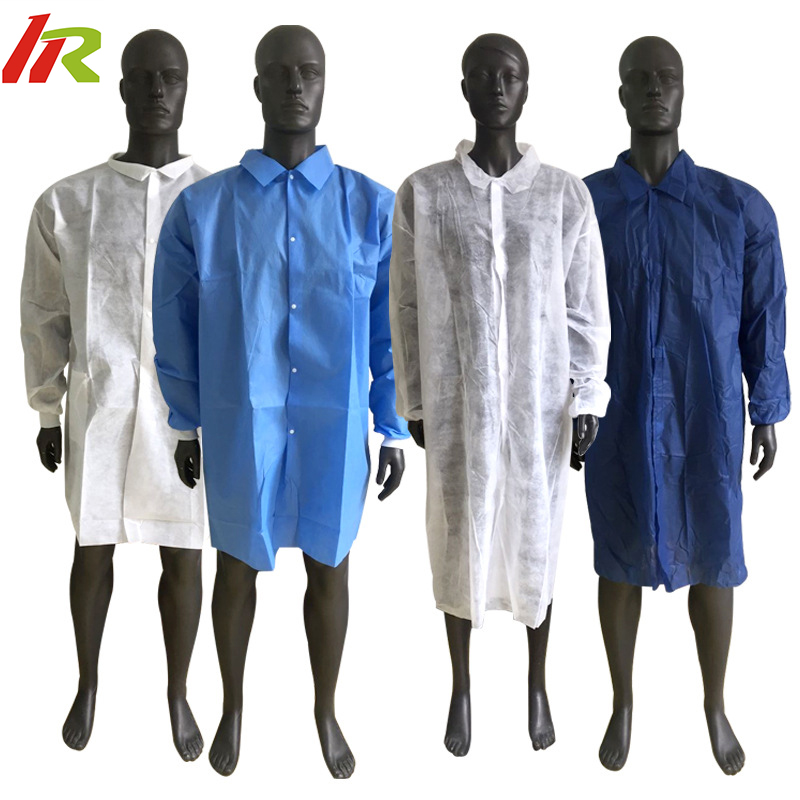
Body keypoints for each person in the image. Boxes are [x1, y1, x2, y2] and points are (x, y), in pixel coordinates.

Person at [152, 25, 409, 779]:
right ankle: (233, 704)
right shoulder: (204, 210)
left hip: (335, 429)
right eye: (280, 72)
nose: (296, 84)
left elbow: (393, 324)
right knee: (237, 566)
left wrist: (392, 425)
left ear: (325, 84)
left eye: (310, 71)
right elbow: (174, 323)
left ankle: (325, 710)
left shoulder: (370, 208)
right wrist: (186, 420)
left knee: (331, 568)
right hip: (243, 426)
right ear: (257, 86)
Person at [389, 33, 610, 757]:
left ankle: (537, 684)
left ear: (526, 87)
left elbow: (584, 306)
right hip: (458, 404)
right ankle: (460, 686)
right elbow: (406, 306)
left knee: (537, 537)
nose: (495, 86)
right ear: (463, 87)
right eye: (481, 75)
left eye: (508, 75)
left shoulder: (563, 195)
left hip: (538, 407)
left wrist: (586, 396)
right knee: (458, 538)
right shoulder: (425, 192)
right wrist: (415, 400)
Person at [583, 35, 790, 775]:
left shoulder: (737, 208)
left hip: (708, 409)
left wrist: (766, 407)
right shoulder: (586, 205)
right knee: (617, 550)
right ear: (620, 94)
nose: (653, 89)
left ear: (683, 89)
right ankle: (622, 701)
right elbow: (558, 315)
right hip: (614, 410)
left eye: (666, 77)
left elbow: (764, 314)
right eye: (639, 78)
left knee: (716, 551)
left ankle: (715, 703)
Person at [20, 30, 208, 761]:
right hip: (100, 407)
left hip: (188, 418)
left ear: (187, 88)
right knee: (92, 542)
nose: (158, 90)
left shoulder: (216, 199)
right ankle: (88, 681)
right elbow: (44, 314)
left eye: (171, 77)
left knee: (183, 550)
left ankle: (178, 691)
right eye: (143, 77)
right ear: (122, 89)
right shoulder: (68, 202)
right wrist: (47, 407)